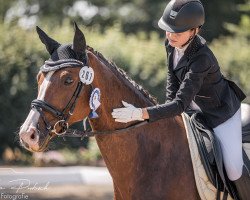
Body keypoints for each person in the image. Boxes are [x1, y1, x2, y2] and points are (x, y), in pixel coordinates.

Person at [111, 0, 250, 199]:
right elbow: (172, 89)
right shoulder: (170, 44)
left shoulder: (202, 58)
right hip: (193, 111)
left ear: (195, 31)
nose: (170, 35)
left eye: (177, 32)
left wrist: (141, 113)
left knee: (234, 169)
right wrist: (162, 115)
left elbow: (179, 104)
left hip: (220, 115)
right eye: (168, 30)